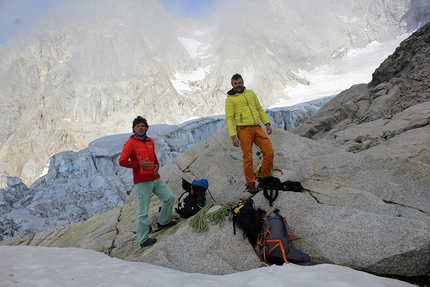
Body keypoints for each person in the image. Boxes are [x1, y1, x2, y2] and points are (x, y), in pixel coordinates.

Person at [119, 116, 176, 247]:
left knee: (169, 197)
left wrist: (157, 165)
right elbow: (122, 161)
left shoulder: (150, 141)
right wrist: (139, 165)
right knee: (143, 211)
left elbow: (153, 156)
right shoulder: (130, 143)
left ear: (146, 128)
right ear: (134, 128)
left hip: (155, 178)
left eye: (142, 126)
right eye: (138, 126)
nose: (140, 128)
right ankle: (143, 239)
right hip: (142, 181)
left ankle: (163, 221)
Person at [225, 74, 274, 193]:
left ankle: (264, 179)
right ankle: (250, 183)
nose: (238, 85)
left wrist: (267, 123)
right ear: (232, 85)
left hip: (257, 127)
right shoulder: (230, 99)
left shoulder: (250, 93)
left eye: (240, 83)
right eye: (235, 83)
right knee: (248, 157)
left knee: (269, 152)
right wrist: (233, 136)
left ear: (243, 82)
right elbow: (229, 119)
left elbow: (259, 108)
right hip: (243, 129)